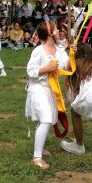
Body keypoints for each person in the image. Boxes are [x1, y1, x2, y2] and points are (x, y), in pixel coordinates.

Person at [25, 22, 70, 169]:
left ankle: (40, 146)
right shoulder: (39, 51)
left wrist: (74, 53)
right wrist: (47, 68)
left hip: (51, 89)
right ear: (50, 33)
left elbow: (66, 65)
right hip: (38, 88)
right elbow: (30, 71)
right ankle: (37, 158)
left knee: (46, 120)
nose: (60, 31)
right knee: (45, 119)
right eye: (57, 29)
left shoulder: (60, 50)